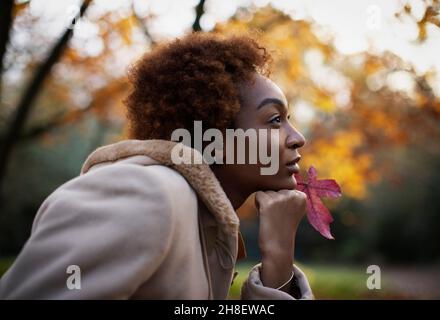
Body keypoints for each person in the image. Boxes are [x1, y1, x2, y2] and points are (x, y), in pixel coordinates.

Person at [0, 32, 313, 299]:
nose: (297, 137)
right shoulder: (147, 194)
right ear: (213, 133)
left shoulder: (206, 228)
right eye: (274, 120)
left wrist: (279, 254)